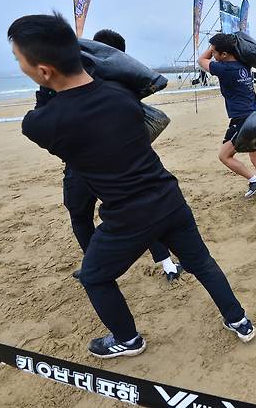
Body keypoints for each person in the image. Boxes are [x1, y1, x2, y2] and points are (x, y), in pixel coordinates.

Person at [10, 13, 256, 359]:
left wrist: (46, 82)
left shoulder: (44, 123)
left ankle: (127, 339)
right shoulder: (121, 94)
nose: (20, 66)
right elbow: (107, 75)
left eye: (20, 60)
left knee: (94, 277)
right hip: (168, 196)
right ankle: (240, 320)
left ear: (44, 71)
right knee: (201, 261)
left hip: (127, 216)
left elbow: (47, 110)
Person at [63, 28, 182, 282]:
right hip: (127, 163)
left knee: (80, 216)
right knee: (141, 213)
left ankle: (93, 268)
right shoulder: (127, 82)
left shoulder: (80, 80)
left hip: (83, 166)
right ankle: (167, 264)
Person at [198, 33, 256, 201]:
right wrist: (218, 46)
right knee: (255, 157)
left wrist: (211, 48)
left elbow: (201, 60)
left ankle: (254, 180)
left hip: (241, 120)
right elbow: (214, 57)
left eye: (215, 52)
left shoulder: (224, 69)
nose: (213, 54)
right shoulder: (244, 64)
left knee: (224, 156)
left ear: (224, 54)